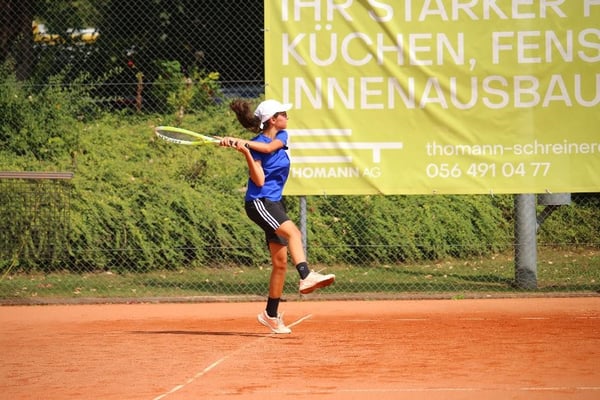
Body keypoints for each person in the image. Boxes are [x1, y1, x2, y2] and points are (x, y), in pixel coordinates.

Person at [220, 99, 335, 334]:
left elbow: (268, 148)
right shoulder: (255, 146)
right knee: (294, 233)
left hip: (275, 203)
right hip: (259, 202)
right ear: (273, 119)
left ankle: (270, 315)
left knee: (280, 263)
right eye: (283, 114)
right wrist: (246, 152)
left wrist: (243, 142)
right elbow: (259, 179)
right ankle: (306, 275)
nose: (287, 117)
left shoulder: (281, 137)